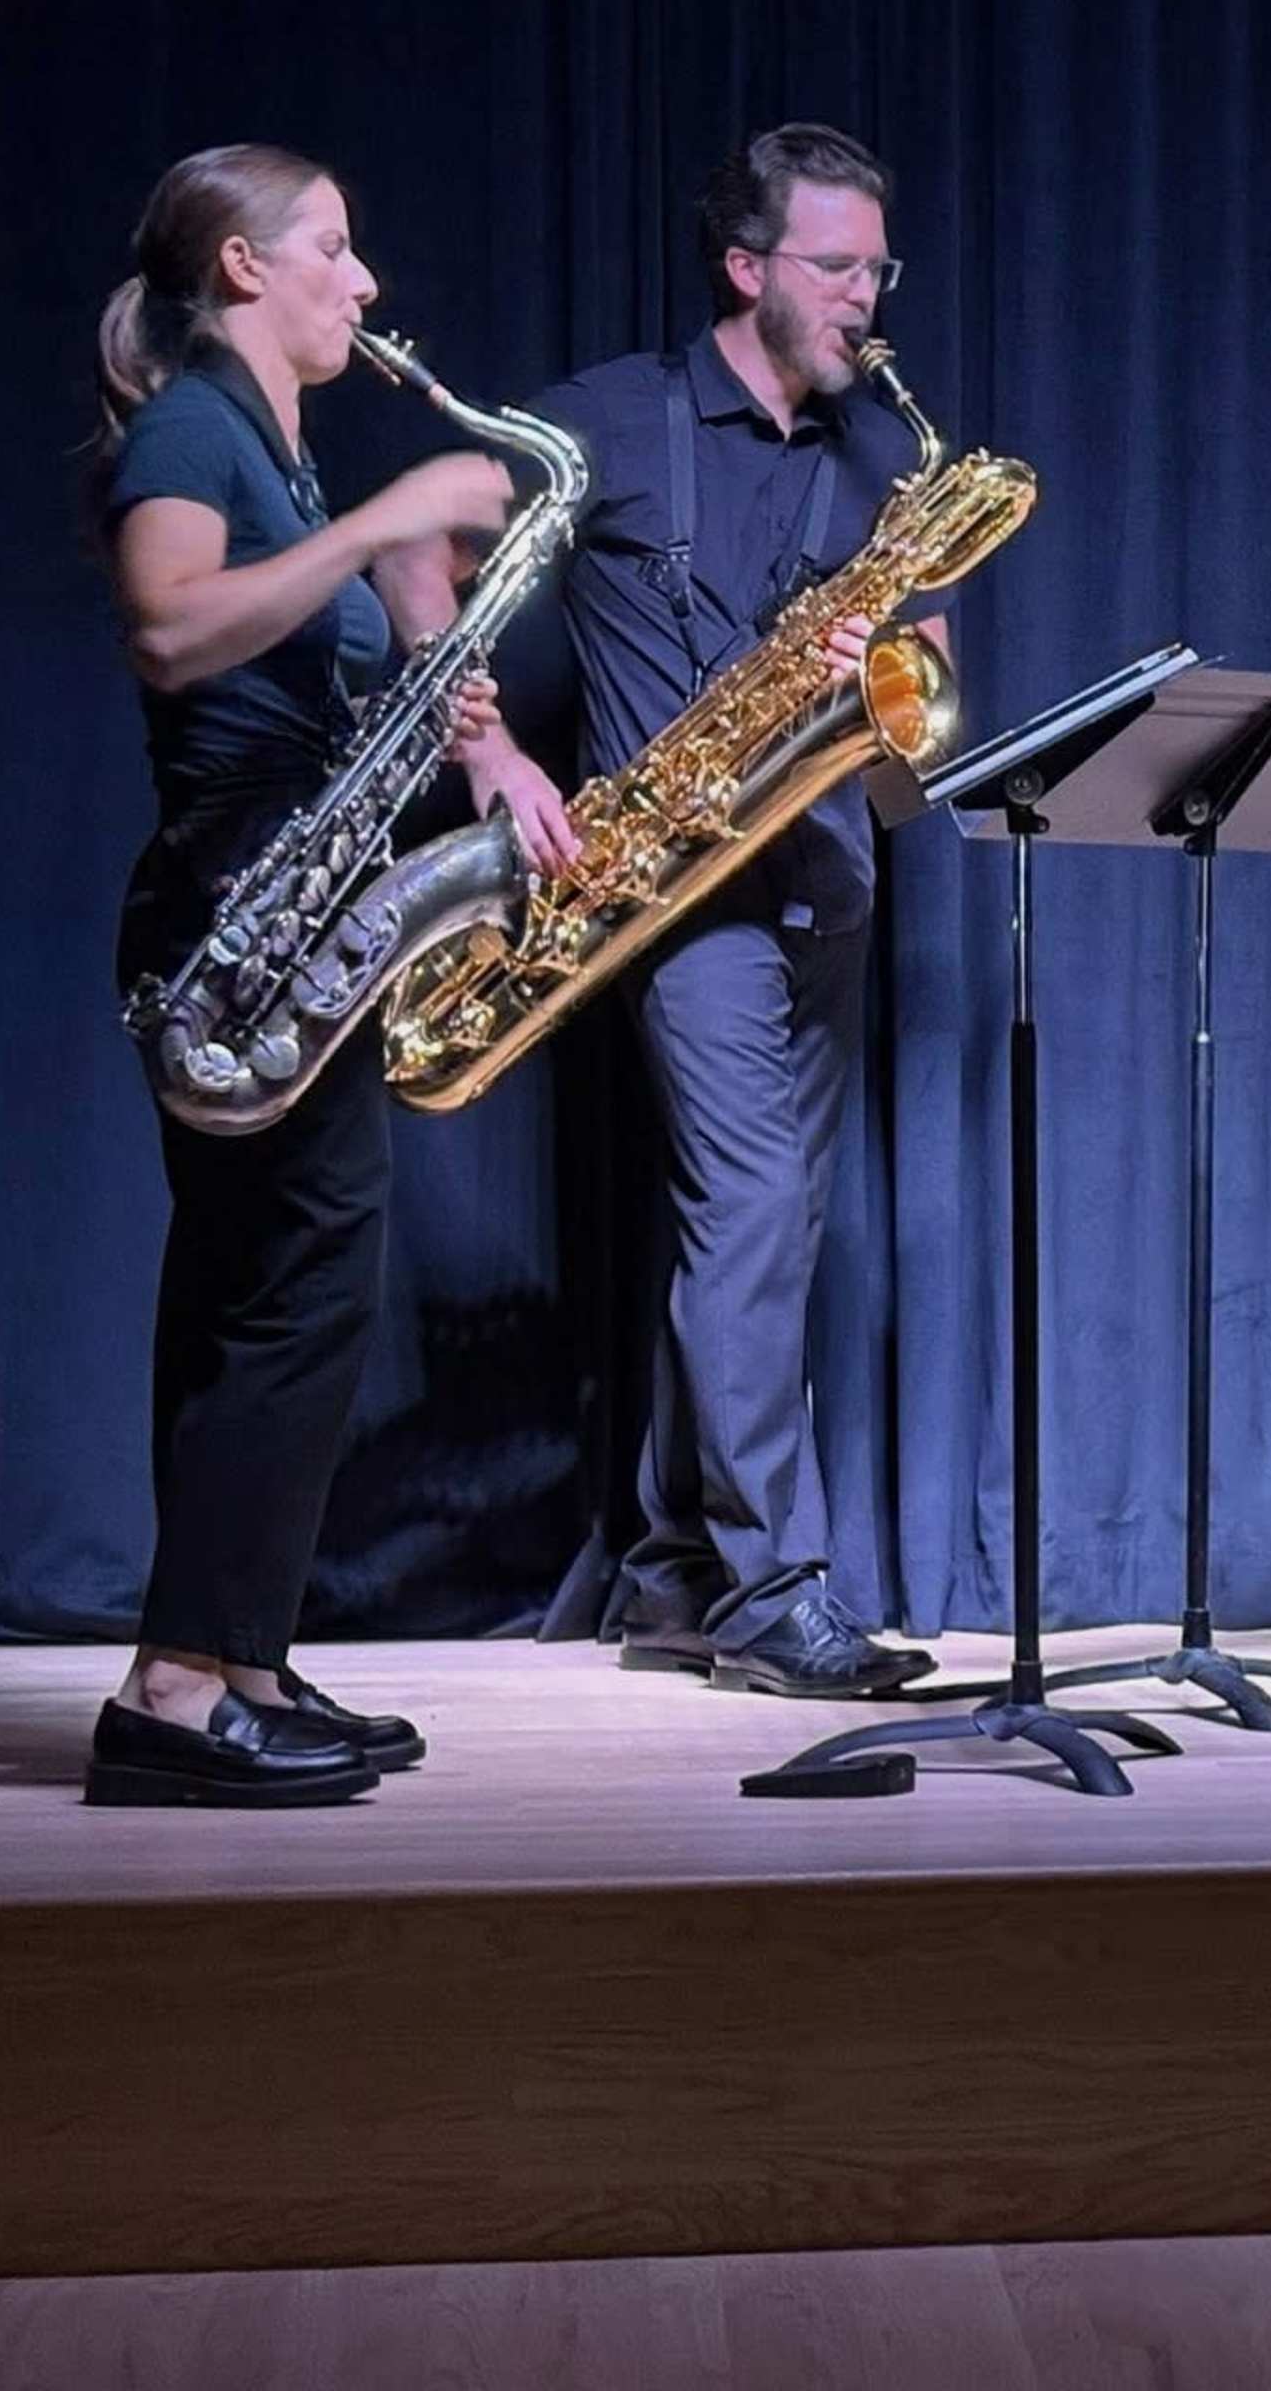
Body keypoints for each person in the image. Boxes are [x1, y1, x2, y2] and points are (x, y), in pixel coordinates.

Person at [433, 125, 942, 1700]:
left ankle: (669, 1573)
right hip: (680, 893)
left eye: (879, 268)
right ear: (746, 268)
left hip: (831, 882)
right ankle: (776, 1589)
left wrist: (890, 648)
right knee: (755, 1223)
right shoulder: (609, 419)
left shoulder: (882, 455)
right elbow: (427, 533)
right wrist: (490, 745)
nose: (868, 298)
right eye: (838, 267)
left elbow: (915, 669)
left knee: (764, 1233)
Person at [89, 144, 515, 1806]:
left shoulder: (265, 436)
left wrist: (434, 683)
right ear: (249, 270)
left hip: (280, 888)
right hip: (238, 903)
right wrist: (396, 520)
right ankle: (178, 1690)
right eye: (335, 247)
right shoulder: (202, 419)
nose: (368, 281)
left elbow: (293, 637)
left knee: (259, 1291)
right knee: (298, 1289)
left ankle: (232, 1658)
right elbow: (170, 627)